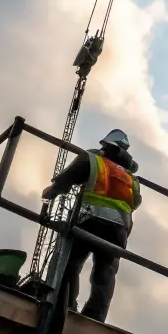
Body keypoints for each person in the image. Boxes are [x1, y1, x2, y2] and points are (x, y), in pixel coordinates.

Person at [41, 129, 142, 322]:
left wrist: (50, 193)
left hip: (89, 219)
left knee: (70, 262)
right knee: (106, 273)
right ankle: (94, 317)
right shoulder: (131, 177)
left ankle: (64, 305)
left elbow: (66, 179)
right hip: (119, 228)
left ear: (104, 146)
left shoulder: (92, 158)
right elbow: (135, 202)